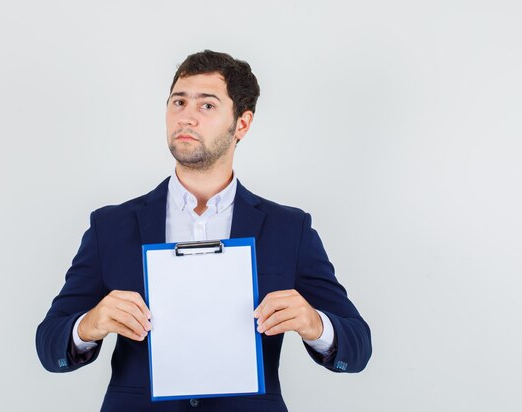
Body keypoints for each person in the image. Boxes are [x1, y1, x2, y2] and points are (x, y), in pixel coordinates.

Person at [36, 50, 372, 411]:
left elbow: (357, 347)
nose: (186, 117)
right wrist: (87, 325)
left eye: (207, 106)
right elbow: (49, 343)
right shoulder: (111, 226)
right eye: (178, 102)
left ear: (241, 123)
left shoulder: (289, 229)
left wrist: (316, 324)